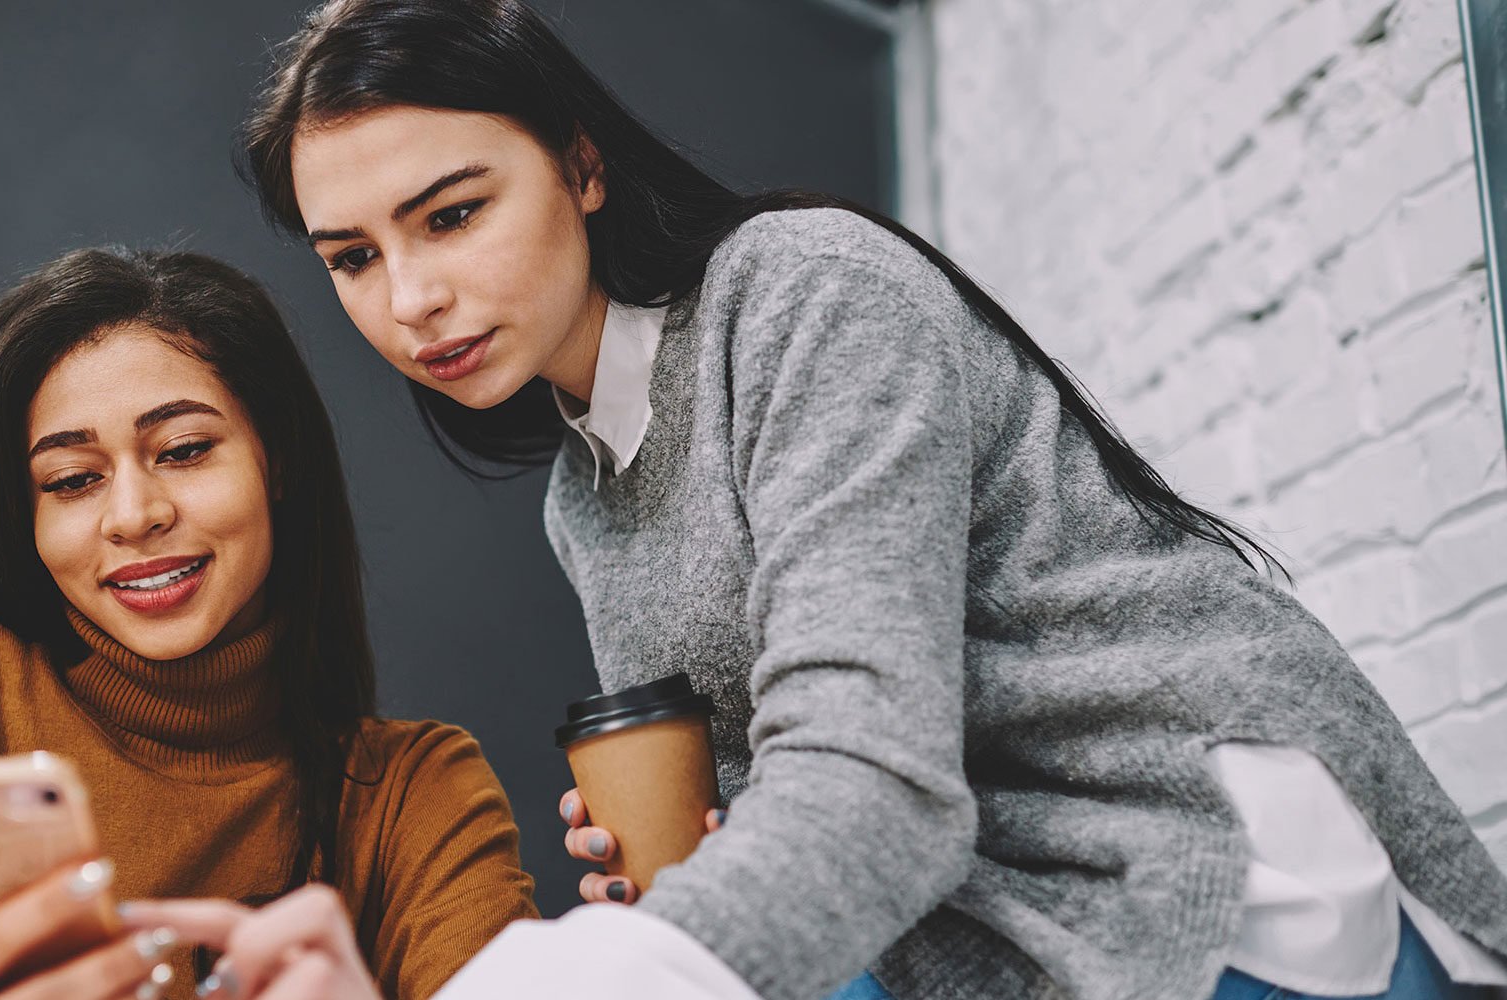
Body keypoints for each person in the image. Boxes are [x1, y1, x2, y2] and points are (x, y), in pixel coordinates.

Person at [202, 1, 1507, 998]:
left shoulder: (803, 294)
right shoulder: (584, 493)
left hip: (1193, 884)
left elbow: (879, 793)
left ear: (582, 168)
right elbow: (812, 794)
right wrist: (689, 858)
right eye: (354, 258)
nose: (409, 297)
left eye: (452, 214)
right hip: (981, 925)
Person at [0, 247, 536, 999]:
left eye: (183, 451)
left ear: (276, 460)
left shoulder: (412, 796)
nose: (133, 516)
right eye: (71, 481)